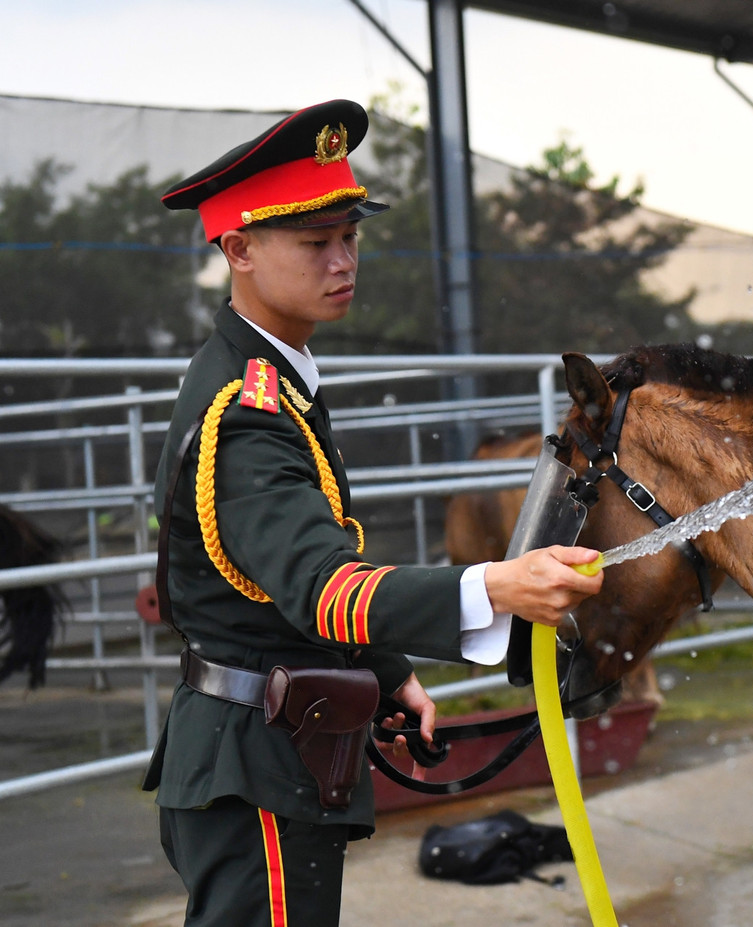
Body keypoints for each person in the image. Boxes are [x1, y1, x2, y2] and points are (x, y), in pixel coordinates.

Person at [143, 99, 602, 927]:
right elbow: (324, 586)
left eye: (350, 235)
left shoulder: (273, 380)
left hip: (270, 746)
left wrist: (388, 672)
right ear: (238, 249)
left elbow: (285, 581)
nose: (343, 259)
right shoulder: (246, 411)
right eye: (315, 242)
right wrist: (495, 585)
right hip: (254, 764)